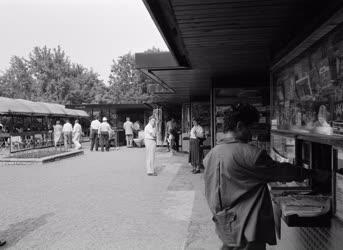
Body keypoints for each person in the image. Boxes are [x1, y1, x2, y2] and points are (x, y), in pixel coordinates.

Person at [203, 104, 327, 250]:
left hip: (225, 224)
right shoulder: (250, 154)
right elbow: (281, 171)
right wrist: (312, 173)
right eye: (251, 128)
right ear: (239, 126)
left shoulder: (212, 154)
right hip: (247, 228)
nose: (252, 134)